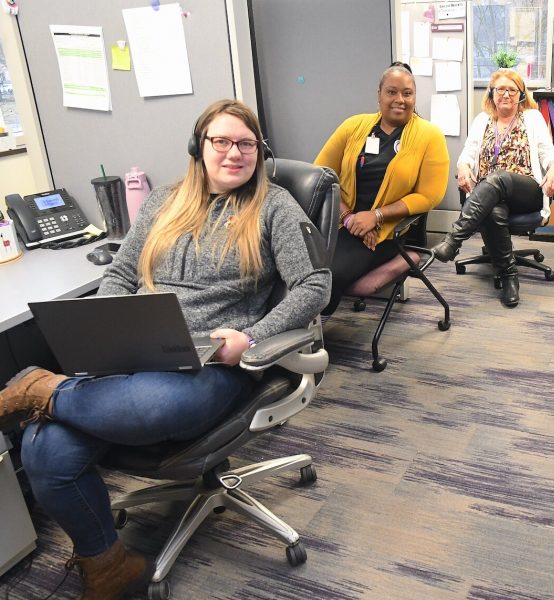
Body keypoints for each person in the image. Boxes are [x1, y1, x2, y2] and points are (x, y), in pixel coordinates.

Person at [0, 99, 331, 599]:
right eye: (222, 141)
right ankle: (107, 563)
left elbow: (315, 285)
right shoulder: (163, 201)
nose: (235, 153)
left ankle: (40, 390)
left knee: (155, 406)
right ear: (199, 147)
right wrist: (106, 325)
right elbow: (119, 273)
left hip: (214, 360)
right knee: (44, 448)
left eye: (247, 144)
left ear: (259, 153)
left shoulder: (273, 206)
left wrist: (254, 337)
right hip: (132, 350)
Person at [314, 62, 449, 317]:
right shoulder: (353, 126)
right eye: (391, 92)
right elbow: (321, 175)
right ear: (379, 95)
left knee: (326, 275)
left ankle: (308, 336)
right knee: (294, 263)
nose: (400, 99)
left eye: (407, 93)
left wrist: (375, 217)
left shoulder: (430, 136)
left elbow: (430, 196)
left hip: (387, 235)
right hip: (342, 224)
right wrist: (350, 217)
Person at [431, 68, 554, 307]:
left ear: (521, 95)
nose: (506, 95)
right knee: (493, 210)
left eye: (512, 90)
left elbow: (546, 151)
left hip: (526, 190)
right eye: (500, 89)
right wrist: (463, 168)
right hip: (490, 194)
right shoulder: (482, 121)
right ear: (491, 93)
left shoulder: (532, 118)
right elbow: (467, 154)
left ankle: (454, 239)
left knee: (499, 178)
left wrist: (553, 168)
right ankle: (509, 276)